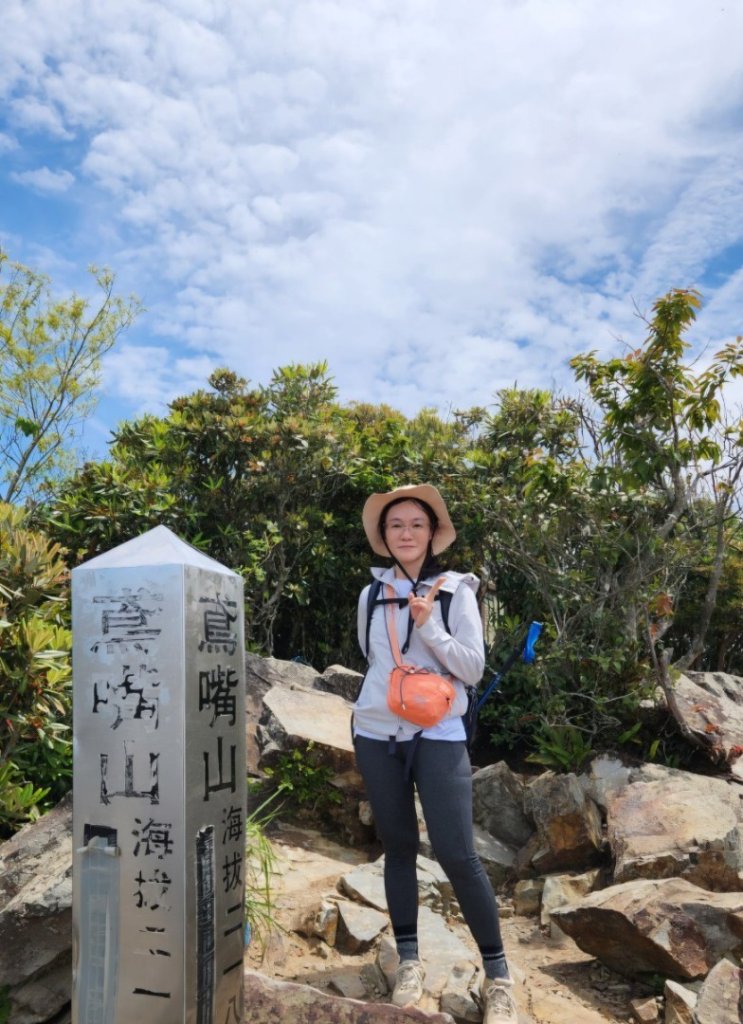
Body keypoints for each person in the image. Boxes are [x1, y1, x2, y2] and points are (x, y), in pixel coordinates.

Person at [353, 483, 518, 1024]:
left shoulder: (456, 592)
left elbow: (471, 666)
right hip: (377, 733)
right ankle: (408, 960)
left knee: (457, 854)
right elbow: (372, 659)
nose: (405, 532)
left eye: (415, 525)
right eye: (395, 525)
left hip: (440, 734)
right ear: (384, 535)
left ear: (431, 535)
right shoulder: (370, 595)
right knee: (398, 848)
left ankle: (497, 978)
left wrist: (432, 626)